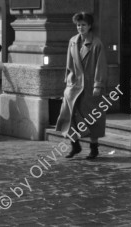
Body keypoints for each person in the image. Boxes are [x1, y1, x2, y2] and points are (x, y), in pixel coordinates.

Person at [56, 12, 108, 159]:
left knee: (92, 118)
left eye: (83, 25)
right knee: (70, 116)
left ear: (90, 26)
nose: (80, 27)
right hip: (74, 86)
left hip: (90, 87)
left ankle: (94, 148)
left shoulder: (97, 44)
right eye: (78, 25)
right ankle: (75, 146)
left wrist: (98, 85)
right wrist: (67, 80)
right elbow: (69, 63)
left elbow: (101, 65)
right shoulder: (73, 41)